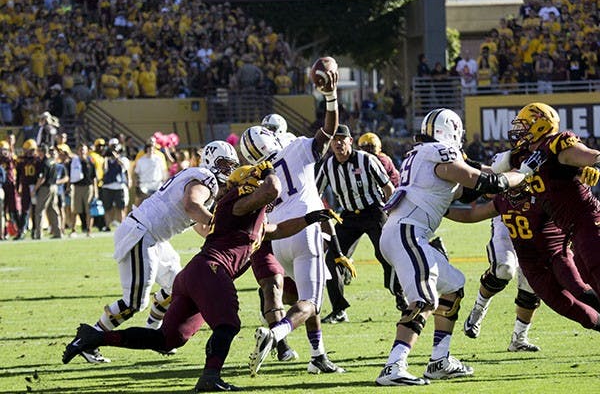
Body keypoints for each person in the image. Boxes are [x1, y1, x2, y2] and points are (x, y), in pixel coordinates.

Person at [62, 162, 340, 392]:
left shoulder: (251, 214)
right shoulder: (236, 204)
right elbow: (272, 188)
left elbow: (276, 228)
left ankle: (93, 337)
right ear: (248, 185)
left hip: (195, 275)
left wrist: (311, 218)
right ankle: (210, 377)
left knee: (168, 339)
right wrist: (267, 170)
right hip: (211, 270)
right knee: (228, 324)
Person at [375, 108, 535, 386]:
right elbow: (485, 181)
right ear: (451, 132)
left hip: (403, 232)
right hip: (408, 233)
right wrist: (522, 176)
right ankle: (394, 366)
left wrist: (506, 172)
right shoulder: (439, 152)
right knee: (424, 300)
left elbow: (469, 187)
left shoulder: (422, 154)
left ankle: (439, 360)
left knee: (452, 287)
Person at [63, 140, 239, 364]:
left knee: (175, 285)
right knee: (135, 301)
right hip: (142, 233)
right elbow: (192, 205)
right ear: (211, 160)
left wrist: (226, 234)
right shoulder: (206, 178)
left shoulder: (202, 177)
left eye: (231, 166)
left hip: (154, 236)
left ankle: (154, 332)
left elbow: (199, 224)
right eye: (224, 164)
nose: (227, 171)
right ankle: (89, 340)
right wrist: (219, 224)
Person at [245, 66, 347, 376]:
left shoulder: (253, 175)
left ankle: (318, 356)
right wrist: (330, 97)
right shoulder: (297, 148)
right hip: (305, 230)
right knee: (311, 303)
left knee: (304, 297)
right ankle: (274, 334)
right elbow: (329, 130)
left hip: (278, 241)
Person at [446, 184, 600, 336]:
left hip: (556, 254)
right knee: (570, 308)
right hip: (532, 266)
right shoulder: (502, 200)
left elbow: (574, 210)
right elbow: (472, 214)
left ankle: (519, 337)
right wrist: (440, 210)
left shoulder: (543, 194)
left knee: (579, 288)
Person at [507, 102, 600, 299]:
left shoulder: (557, 145)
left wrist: (592, 163)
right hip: (574, 231)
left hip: (589, 223)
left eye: (523, 126)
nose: (518, 132)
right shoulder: (528, 156)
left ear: (539, 125)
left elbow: (591, 156)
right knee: (591, 285)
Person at [315, 125, 404, 324]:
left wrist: (391, 215)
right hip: (348, 217)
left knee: (385, 254)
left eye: (342, 139)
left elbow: (388, 187)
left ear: (350, 141)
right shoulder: (328, 166)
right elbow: (314, 193)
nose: (338, 143)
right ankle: (339, 309)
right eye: (334, 139)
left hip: (374, 211)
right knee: (332, 259)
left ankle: (400, 297)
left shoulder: (367, 159)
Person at [460, 152, 542, 351]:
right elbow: (488, 180)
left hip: (536, 227)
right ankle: (478, 310)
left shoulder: (547, 156)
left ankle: (519, 339)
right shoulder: (510, 157)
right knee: (504, 268)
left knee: (532, 283)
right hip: (506, 220)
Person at [68, 144, 97, 237]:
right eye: (80, 150)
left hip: (88, 187)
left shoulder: (90, 161)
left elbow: (94, 178)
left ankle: (89, 230)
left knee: (89, 210)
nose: (82, 152)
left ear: (87, 151)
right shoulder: (74, 162)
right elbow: (70, 176)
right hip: (77, 187)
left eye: (83, 150)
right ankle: (73, 230)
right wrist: (69, 187)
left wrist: (95, 191)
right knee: (75, 210)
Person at [33, 144, 62, 239]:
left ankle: (39, 234)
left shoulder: (44, 162)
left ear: (41, 151)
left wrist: (35, 189)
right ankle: (58, 232)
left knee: (39, 210)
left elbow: (42, 178)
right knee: (53, 209)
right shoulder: (52, 161)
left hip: (45, 188)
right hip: (54, 187)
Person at [101, 138, 131, 228]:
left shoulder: (124, 159)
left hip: (119, 186)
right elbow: (104, 170)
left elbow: (125, 167)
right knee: (107, 208)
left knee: (120, 207)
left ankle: (122, 226)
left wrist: (117, 157)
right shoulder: (106, 159)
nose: (113, 149)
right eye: (112, 147)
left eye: (115, 146)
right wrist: (106, 157)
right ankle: (107, 226)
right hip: (107, 186)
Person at [15, 139, 41, 240]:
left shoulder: (37, 160)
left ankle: (34, 230)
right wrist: (18, 187)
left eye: (31, 150)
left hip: (34, 187)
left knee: (34, 210)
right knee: (25, 210)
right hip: (26, 187)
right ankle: (22, 230)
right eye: (28, 150)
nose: (29, 152)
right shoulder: (21, 160)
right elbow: (18, 176)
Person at [133, 141, 168, 206]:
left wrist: (165, 182)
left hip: (157, 186)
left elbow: (164, 171)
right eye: (149, 148)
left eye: (152, 148)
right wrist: (136, 184)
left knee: (157, 206)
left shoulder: (159, 159)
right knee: (144, 205)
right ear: (146, 149)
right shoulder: (140, 160)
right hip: (144, 186)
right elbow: (136, 173)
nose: (151, 149)